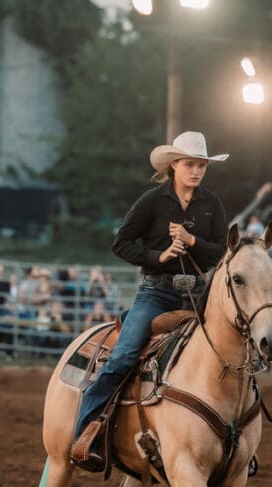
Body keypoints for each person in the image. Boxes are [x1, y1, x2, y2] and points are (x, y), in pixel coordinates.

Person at [70, 131, 230, 469]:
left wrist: (191, 240)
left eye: (201, 165)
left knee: (229, 355)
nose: (197, 171)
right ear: (174, 166)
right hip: (156, 291)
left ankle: (235, 442)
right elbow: (122, 242)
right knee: (125, 355)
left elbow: (221, 249)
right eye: (190, 164)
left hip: (197, 295)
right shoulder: (152, 201)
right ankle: (86, 433)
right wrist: (158, 257)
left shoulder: (211, 203)